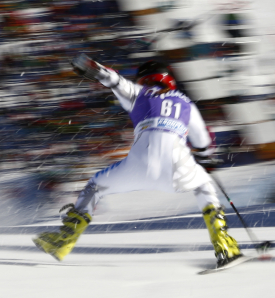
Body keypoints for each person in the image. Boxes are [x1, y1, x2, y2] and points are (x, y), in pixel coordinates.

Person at [32, 54, 242, 267]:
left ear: (143, 79)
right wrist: (206, 160)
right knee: (203, 185)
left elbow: (113, 80)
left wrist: (91, 68)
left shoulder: (138, 93)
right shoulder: (186, 103)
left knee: (95, 187)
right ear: (169, 80)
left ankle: (64, 240)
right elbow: (204, 143)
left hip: (137, 167)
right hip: (177, 168)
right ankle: (223, 245)